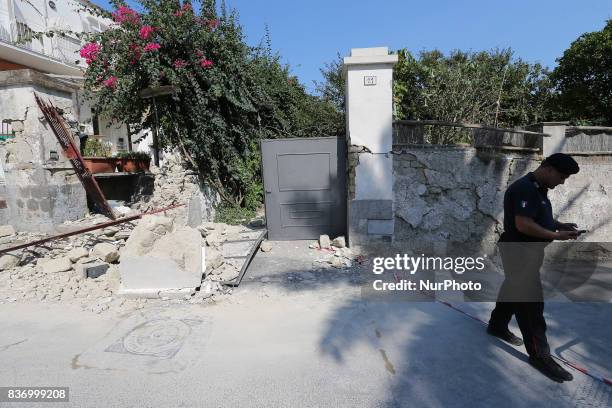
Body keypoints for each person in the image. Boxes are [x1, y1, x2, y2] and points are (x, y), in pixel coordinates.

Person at [487, 153, 580, 382]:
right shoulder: (525, 188)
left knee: (513, 289)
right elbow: (524, 224)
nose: (562, 181)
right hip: (519, 252)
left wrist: (559, 225)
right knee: (531, 307)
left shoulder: (538, 189)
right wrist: (556, 235)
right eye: (562, 176)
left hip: (526, 253)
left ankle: (497, 326)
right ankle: (540, 355)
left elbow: (538, 216)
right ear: (548, 169)